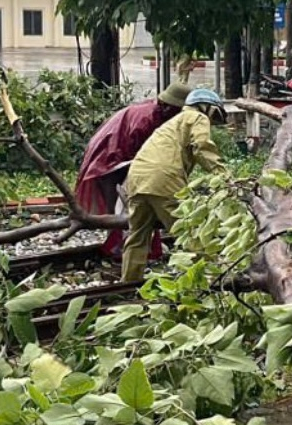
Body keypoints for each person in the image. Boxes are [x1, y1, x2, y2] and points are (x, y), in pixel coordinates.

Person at [121, 88, 227, 282]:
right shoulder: (196, 117)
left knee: (137, 237)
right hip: (163, 177)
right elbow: (202, 147)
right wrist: (224, 177)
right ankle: (212, 282)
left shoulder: (171, 124)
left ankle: (127, 284)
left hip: (136, 178)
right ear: (207, 108)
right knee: (190, 232)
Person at [74, 82, 191, 258]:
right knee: (124, 207)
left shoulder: (157, 114)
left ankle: (139, 248)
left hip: (118, 153)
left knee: (134, 206)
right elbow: (143, 157)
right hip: (109, 157)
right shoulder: (147, 120)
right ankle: (119, 248)